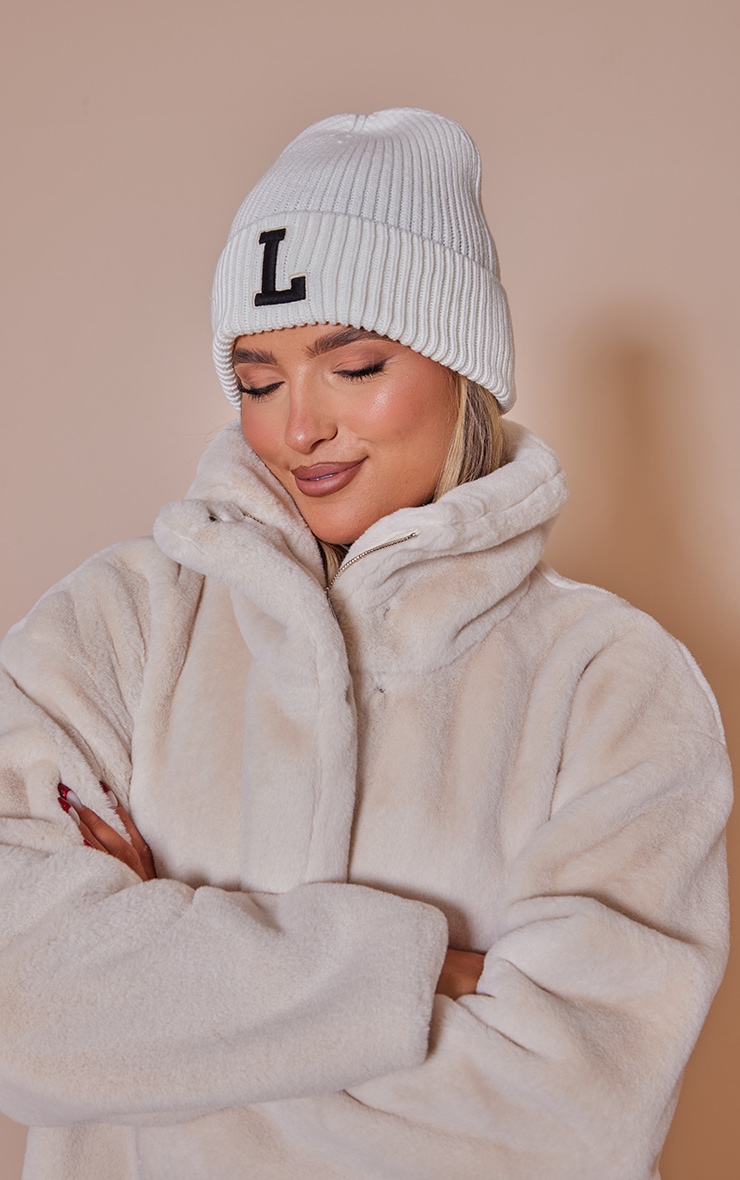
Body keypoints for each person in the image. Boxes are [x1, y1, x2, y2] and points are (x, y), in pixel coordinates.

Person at [0, 108, 731, 1180]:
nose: (299, 428)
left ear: (459, 365)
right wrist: (420, 974)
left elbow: (576, 1121)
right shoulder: (122, 626)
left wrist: (160, 1045)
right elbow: (18, 1004)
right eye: (258, 381)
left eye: (353, 365)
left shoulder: (611, 683)